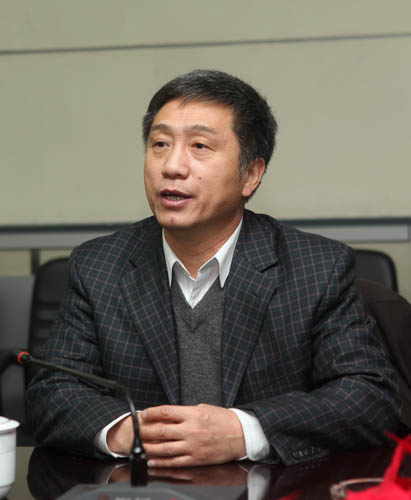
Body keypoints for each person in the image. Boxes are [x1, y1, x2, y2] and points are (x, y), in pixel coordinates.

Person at [26, 69, 401, 467]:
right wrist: (127, 432)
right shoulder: (99, 267)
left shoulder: (316, 268)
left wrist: (244, 432)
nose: (172, 166)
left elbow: (368, 396)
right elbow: (52, 391)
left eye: (200, 146)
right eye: (160, 144)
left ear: (250, 175)